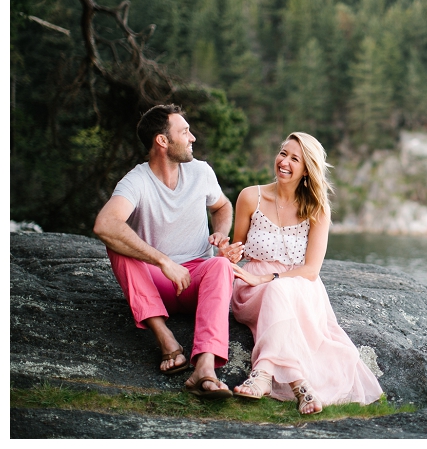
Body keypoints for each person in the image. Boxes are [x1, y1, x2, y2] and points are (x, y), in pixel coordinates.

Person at [93, 104, 243, 400]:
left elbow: (223, 205)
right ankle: (166, 339)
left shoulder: (200, 172)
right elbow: (104, 224)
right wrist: (163, 261)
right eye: (184, 132)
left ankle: (205, 367)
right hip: (154, 284)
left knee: (221, 267)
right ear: (162, 141)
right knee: (117, 244)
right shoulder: (136, 181)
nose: (192, 138)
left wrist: (221, 234)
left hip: (196, 281)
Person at [228, 132, 383, 414]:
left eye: (294, 158)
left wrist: (268, 279)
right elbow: (236, 251)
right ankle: (300, 386)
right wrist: (229, 254)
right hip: (251, 289)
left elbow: (311, 270)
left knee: (279, 289)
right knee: (276, 291)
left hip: (299, 287)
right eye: (282, 153)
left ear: (307, 170)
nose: (284, 162)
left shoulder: (318, 209)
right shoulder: (251, 197)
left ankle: (264, 375)